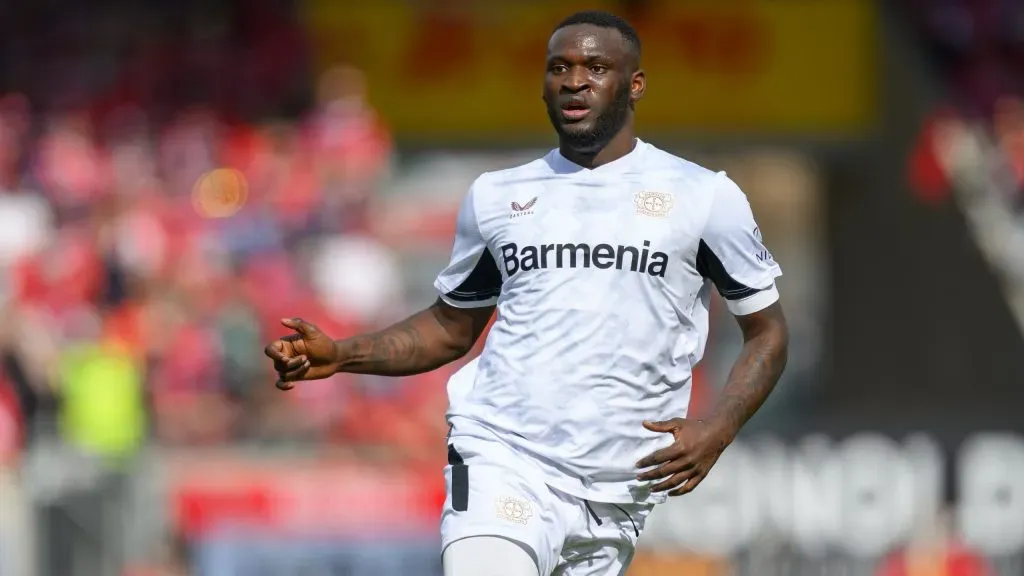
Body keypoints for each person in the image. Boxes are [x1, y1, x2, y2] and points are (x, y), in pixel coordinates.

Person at [264, 10, 789, 576]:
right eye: (558, 67)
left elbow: (767, 331)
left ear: (635, 85)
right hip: (505, 457)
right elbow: (450, 327)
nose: (573, 80)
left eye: (595, 67)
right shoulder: (497, 196)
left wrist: (720, 426)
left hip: (618, 490)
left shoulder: (703, 196)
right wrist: (343, 355)